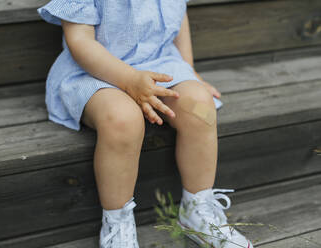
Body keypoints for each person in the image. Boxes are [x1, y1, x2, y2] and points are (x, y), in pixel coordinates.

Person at [37, 0, 253, 247]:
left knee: (200, 108)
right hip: (95, 74)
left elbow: (179, 18)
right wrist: (129, 79)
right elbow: (80, 41)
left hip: (158, 65)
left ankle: (197, 209)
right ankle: (117, 223)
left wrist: (190, 72)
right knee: (123, 119)